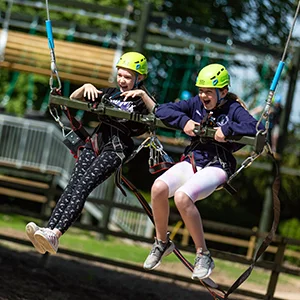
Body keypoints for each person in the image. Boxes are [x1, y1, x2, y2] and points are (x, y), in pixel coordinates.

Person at [25, 51, 156, 255]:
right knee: (74, 184)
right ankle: (48, 229)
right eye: (120, 75)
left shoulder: (142, 101)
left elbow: (158, 114)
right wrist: (85, 87)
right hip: (96, 142)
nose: (122, 80)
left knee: (84, 185)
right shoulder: (110, 93)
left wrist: (143, 95)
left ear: (140, 78)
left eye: (128, 77)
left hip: (116, 148)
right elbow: (72, 98)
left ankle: (56, 233)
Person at [143, 63, 264, 280]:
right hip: (193, 161)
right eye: (201, 90)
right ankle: (162, 242)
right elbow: (162, 110)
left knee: (182, 197)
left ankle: (203, 254)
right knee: (158, 187)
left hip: (218, 166)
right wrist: (185, 121)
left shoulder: (233, 110)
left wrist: (227, 130)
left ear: (223, 92)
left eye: (208, 92)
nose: (203, 96)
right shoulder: (195, 104)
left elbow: (257, 128)